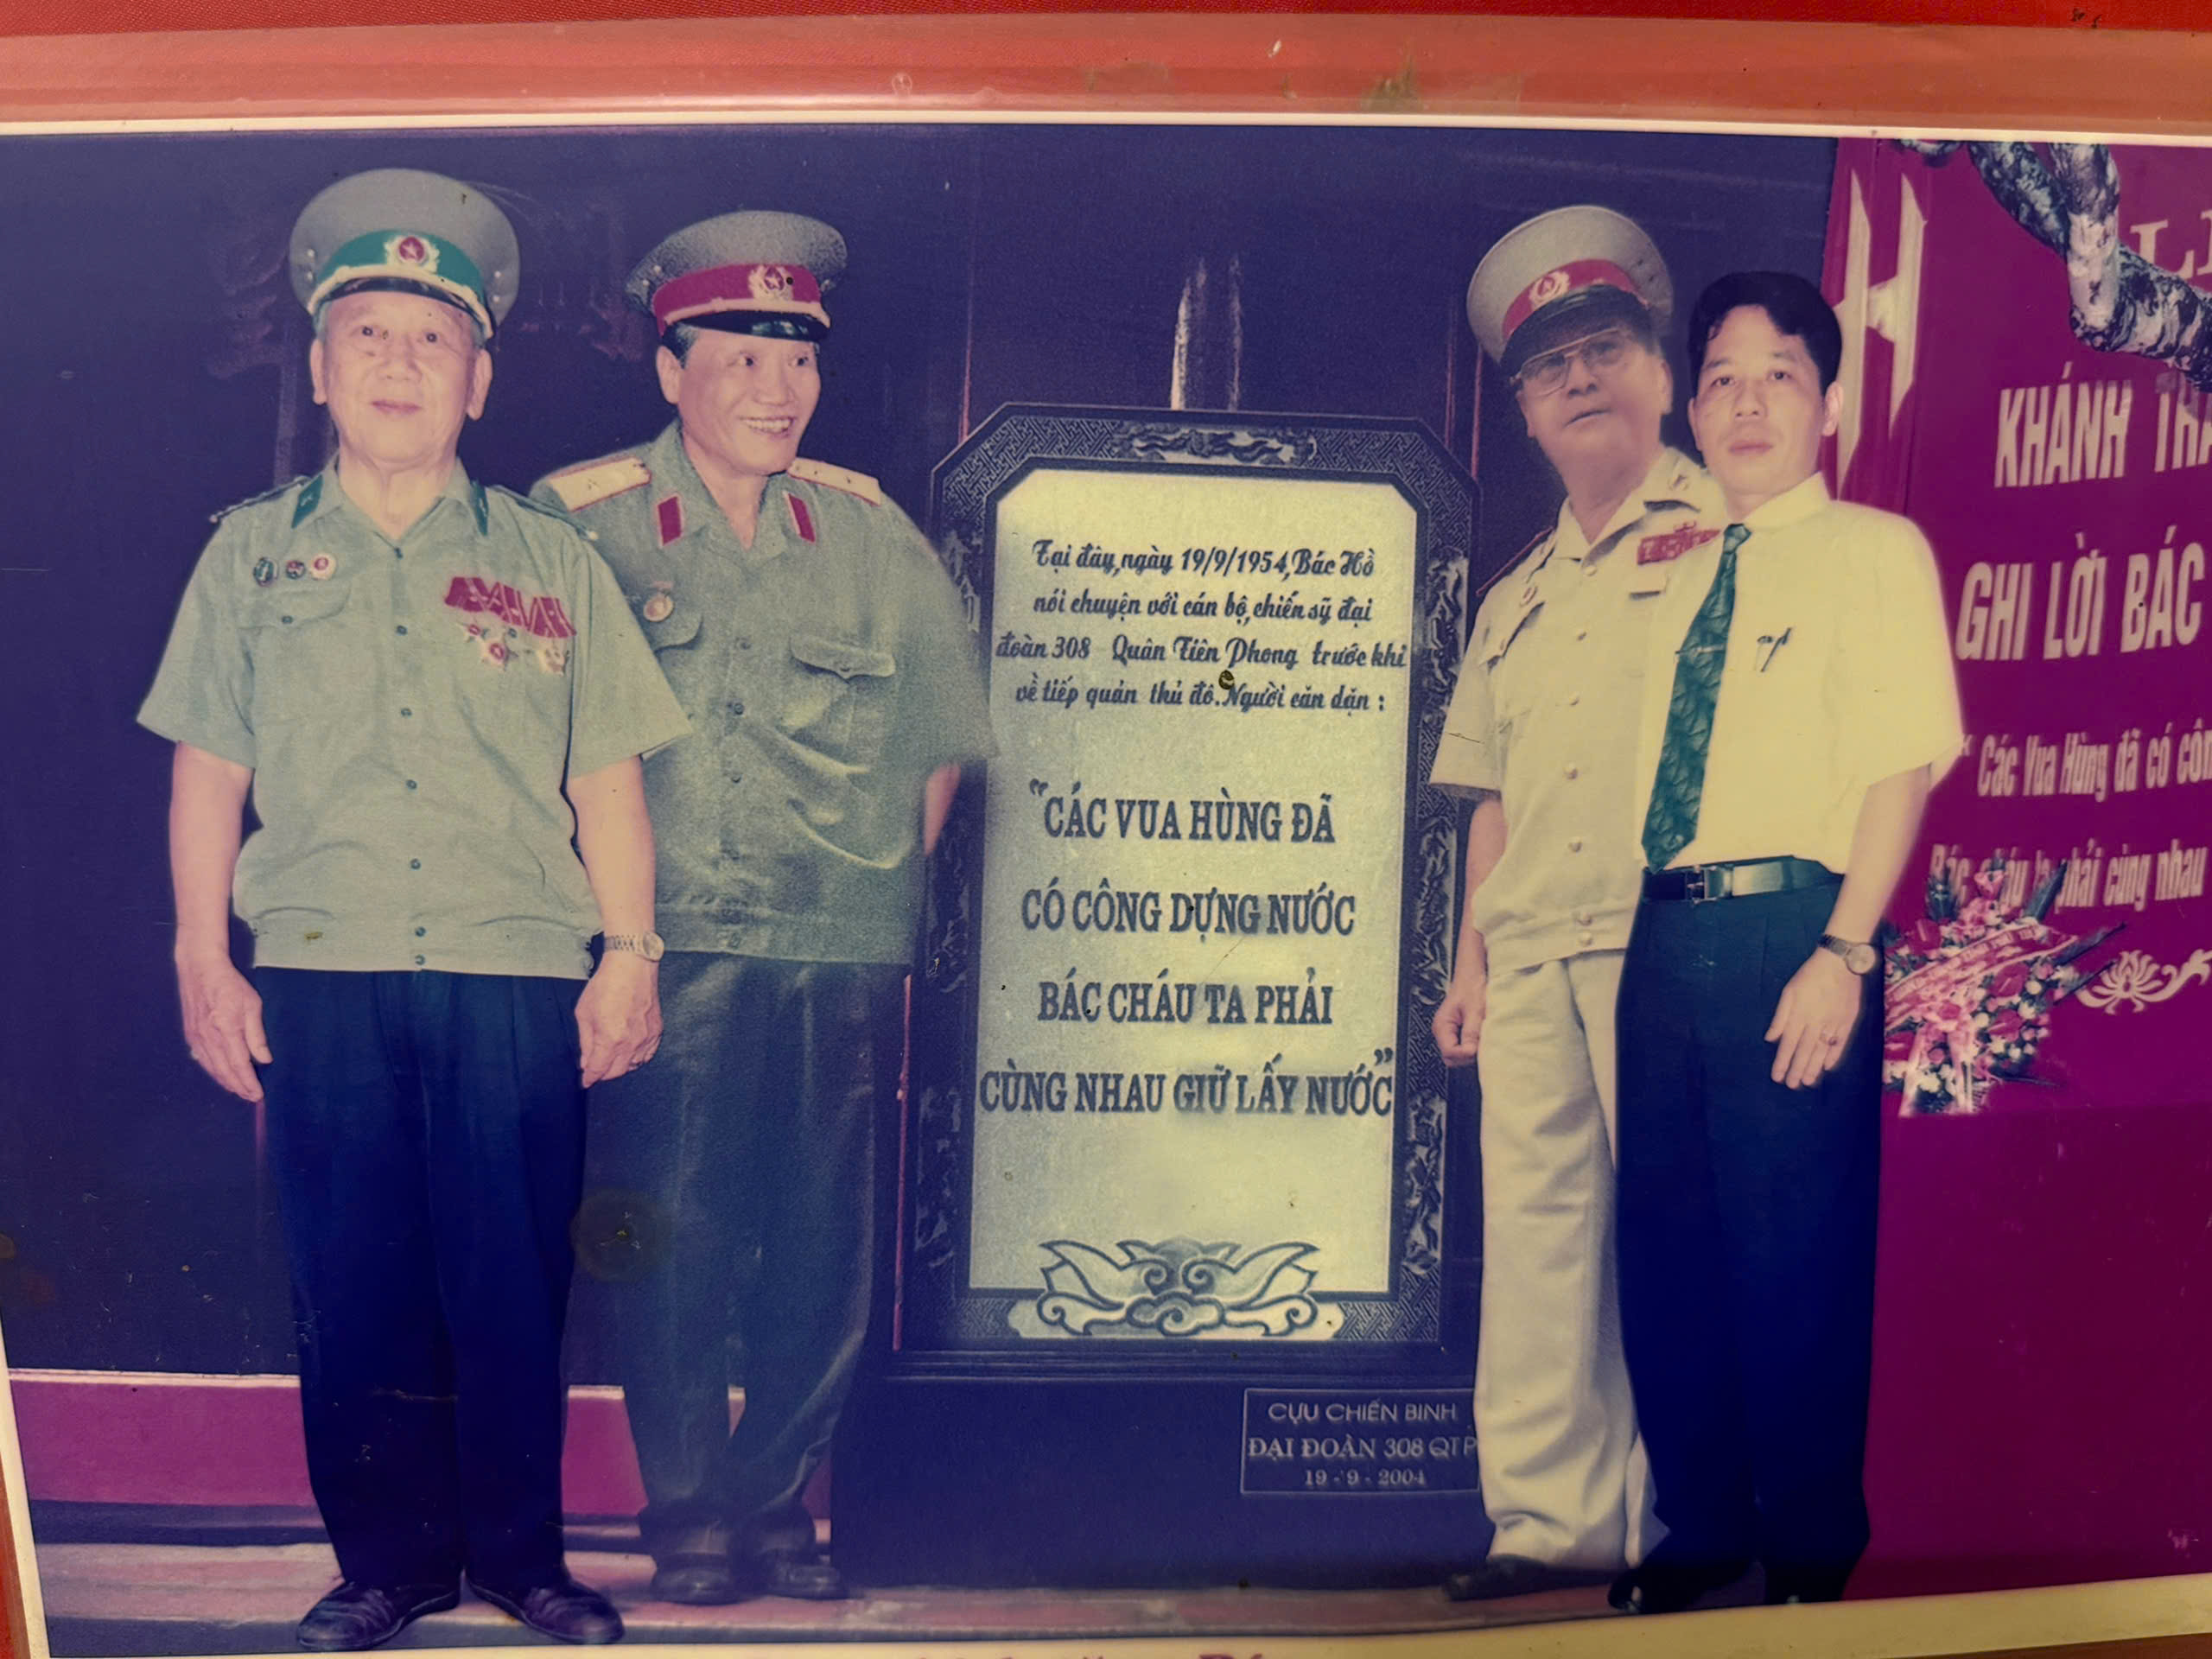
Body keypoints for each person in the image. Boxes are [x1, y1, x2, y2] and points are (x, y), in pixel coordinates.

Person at [137, 168, 690, 1651]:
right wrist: (206, 957)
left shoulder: (551, 561)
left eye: (430, 341)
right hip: (321, 968)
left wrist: (628, 959)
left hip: (516, 973)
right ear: (318, 368)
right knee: (354, 1282)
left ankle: (523, 1563)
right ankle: (386, 1566)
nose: (397, 364)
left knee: (511, 1282)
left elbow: (609, 788)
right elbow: (209, 774)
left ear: (482, 378)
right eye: (367, 334)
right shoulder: (249, 555)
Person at [534, 211, 994, 1607]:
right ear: (671, 368)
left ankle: (777, 1506)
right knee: (668, 1229)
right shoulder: (582, 521)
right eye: (740, 358)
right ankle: (685, 1513)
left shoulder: (870, 534)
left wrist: (874, 900)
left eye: (796, 360)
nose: (775, 391)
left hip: (836, 944)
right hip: (663, 947)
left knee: (820, 1244)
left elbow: (936, 745)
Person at [1609, 271, 1963, 1614]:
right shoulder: (1679, 561)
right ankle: (1704, 1529)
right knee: (1671, 1253)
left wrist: (1844, 952)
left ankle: (1812, 1553)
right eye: (1722, 380)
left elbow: (1897, 772)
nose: (1747, 403)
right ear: (1690, 407)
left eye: (1779, 377)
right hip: (1663, 934)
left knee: (1793, 1256)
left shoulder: (1876, 551)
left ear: (1831, 402)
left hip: (1790, 935)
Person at [1427, 205, 1726, 1599]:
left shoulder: (1740, 535)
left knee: (1679, 1236)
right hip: (1536, 950)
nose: (1584, 382)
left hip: (1679, 938)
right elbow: (1489, 802)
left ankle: (1681, 1527)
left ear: (1663, 372)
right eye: (1553, 370)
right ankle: (1548, 1527)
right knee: (1541, 1248)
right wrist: (1468, 965)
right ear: (1528, 413)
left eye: (1607, 349)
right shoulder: (1513, 600)